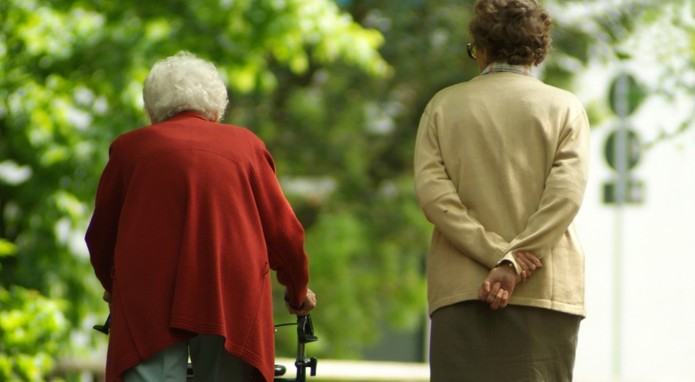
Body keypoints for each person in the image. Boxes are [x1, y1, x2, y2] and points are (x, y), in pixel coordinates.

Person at [86, 51, 316, 382]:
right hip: (231, 292)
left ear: (152, 109)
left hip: (148, 292)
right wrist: (297, 290)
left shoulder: (129, 149)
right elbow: (285, 235)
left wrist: (114, 286)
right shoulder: (246, 147)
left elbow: (100, 236)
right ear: (216, 107)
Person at [414, 0, 590, 380]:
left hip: (462, 291)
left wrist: (496, 255)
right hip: (546, 291)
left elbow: (434, 197)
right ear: (538, 51)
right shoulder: (565, 108)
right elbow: (565, 197)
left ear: (481, 48)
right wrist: (514, 261)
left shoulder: (443, 107)